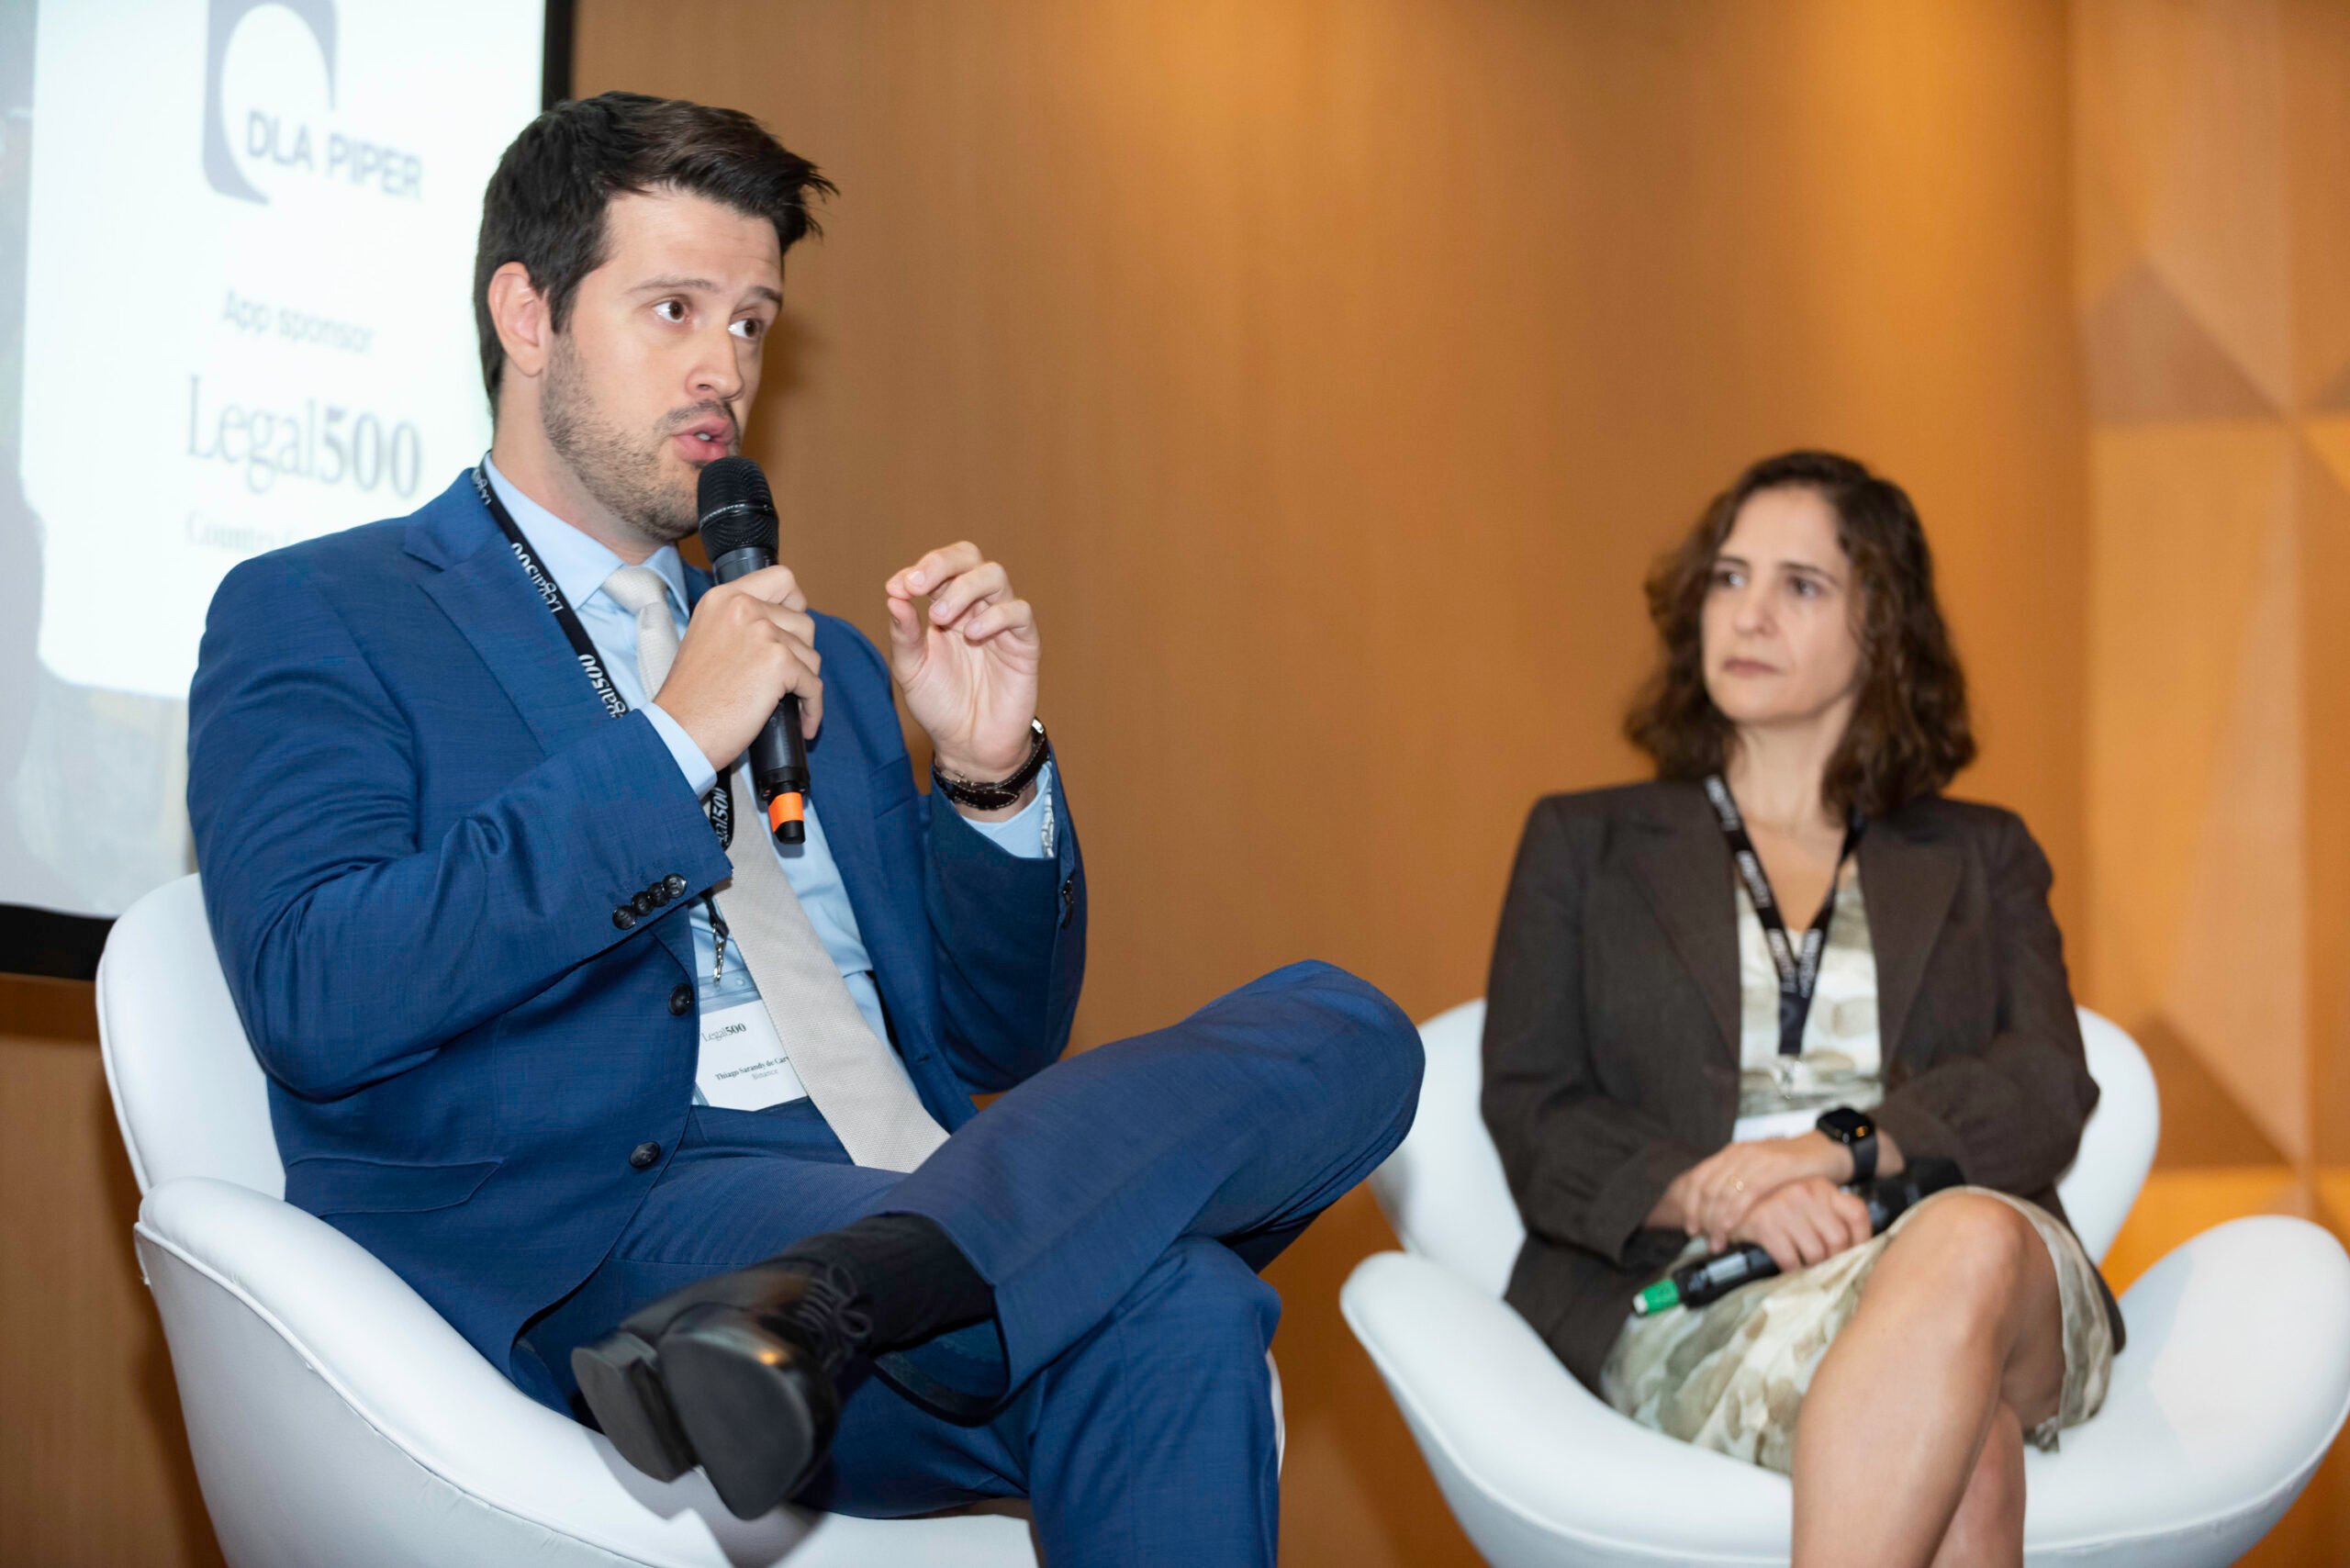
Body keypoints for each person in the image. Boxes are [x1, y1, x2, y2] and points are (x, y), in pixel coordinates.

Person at [186, 91, 1419, 1567]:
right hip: (613, 1236)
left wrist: (989, 778)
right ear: (528, 315)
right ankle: (850, 1291)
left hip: (885, 1215)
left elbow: (996, 1046)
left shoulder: (809, 648)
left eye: (753, 323)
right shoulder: (325, 608)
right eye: (675, 309)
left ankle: (835, 1300)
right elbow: (320, 987)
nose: (725, 368)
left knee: (1354, 1032)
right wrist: (671, 741)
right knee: (1182, 1292)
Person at [1482, 451, 2122, 1568]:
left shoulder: (1981, 854)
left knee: (1968, 1242)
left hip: (1964, 1260)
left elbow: (2043, 1084)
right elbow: (1534, 1107)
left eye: (1801, 585)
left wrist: (1832, 1152)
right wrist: (1711, 1190)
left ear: (1881, 629)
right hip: (1696, 1285)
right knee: (1966, 1442)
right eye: (1728, 578)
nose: (1749, 613)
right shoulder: (1585, 844)